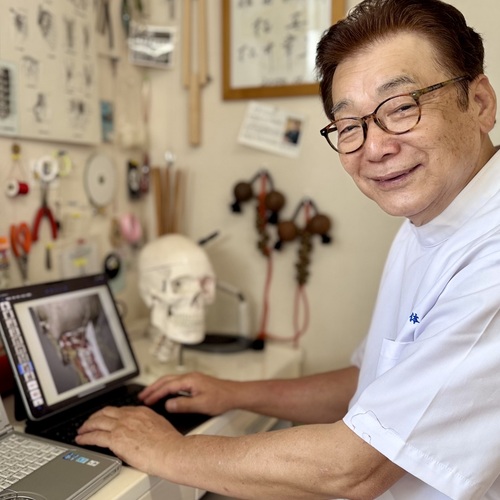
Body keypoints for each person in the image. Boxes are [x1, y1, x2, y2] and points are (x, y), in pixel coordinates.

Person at [76, 0, 500, 497]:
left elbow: (356, 467)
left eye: (402, 107)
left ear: (479, 102)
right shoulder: (426, 221)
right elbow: (372, 385)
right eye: (349, 127)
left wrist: (167, 450)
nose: (375, 147)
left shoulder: (489, 254)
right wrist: (233, 393)